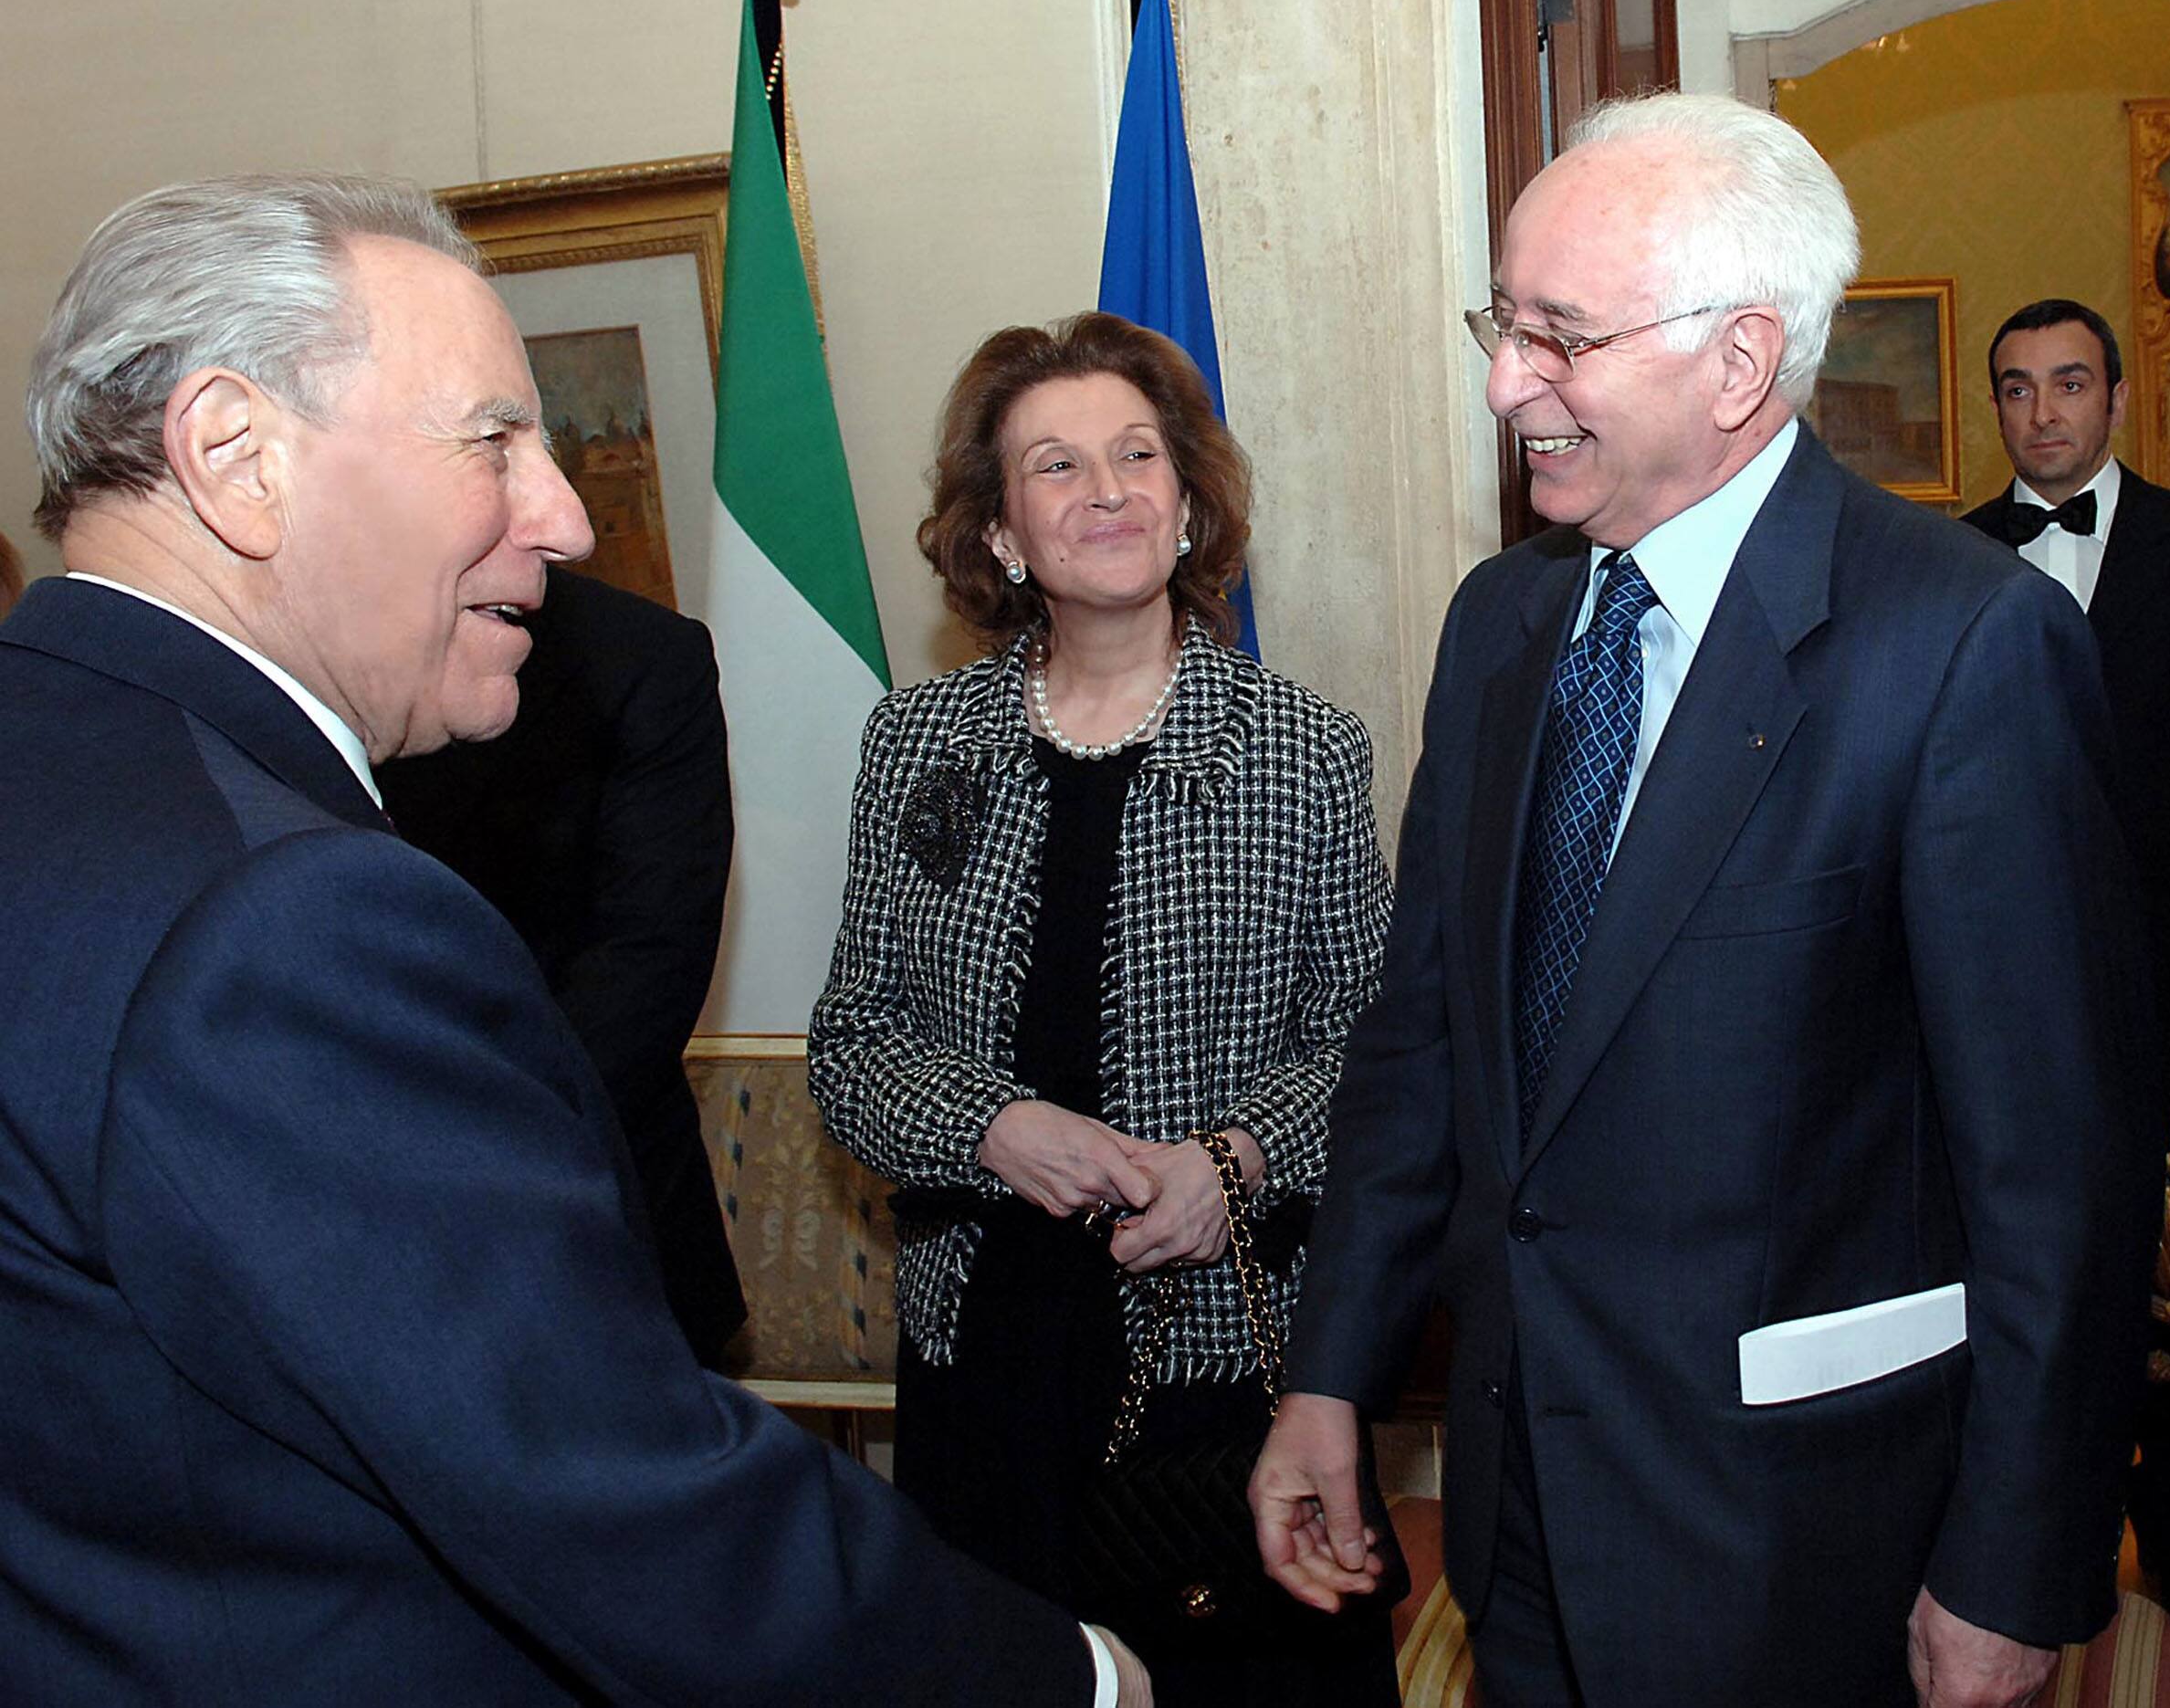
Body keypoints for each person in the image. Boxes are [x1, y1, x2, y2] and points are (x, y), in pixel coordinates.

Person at [0, 173, 1144, 1705]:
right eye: (492, 438)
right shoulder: (280, 918)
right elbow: (599, 1494)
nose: (567, 512)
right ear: (234, 456)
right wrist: (1065, 1681)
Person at [1250, 93, 2160, 1708]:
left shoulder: (1960, 648)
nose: (1502, 383)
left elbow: (2056, 1176)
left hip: (1806, 1532)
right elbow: (1421, 1048)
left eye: (1559, 337)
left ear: (1741, 361)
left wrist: (2016, 1563)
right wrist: (1331, 1374)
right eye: (1501, 324)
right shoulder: (1500, 624)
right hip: (1519, 1503)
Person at [808, 312, 1398, 1706]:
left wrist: (1234, 1161)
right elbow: (851, 1046)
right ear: (1003, 529)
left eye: (1138, 456)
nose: (1108, 490)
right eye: (1058, 465)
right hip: (987, 1350)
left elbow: (1374, 1048)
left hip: (1223, 1337)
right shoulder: (916, 741)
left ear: (1189, 501)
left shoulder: (1305, 751)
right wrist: (996, 1123)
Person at [1964, 297, 2170, 1602]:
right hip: (1994, 976)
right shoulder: (1954, 555)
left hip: (2160, 957)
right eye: (2020, 388)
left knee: (2158, 1250)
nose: (2045, 411)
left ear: (2118, 396)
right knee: (2024, 1252)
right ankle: (2052, 1529)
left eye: (2070, 383)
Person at [380, 568, 750, 1366]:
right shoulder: (302, 643)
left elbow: (645, 964)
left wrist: (453, 1156)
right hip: (358, 1255)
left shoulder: (637, 656)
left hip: (601, 1221)